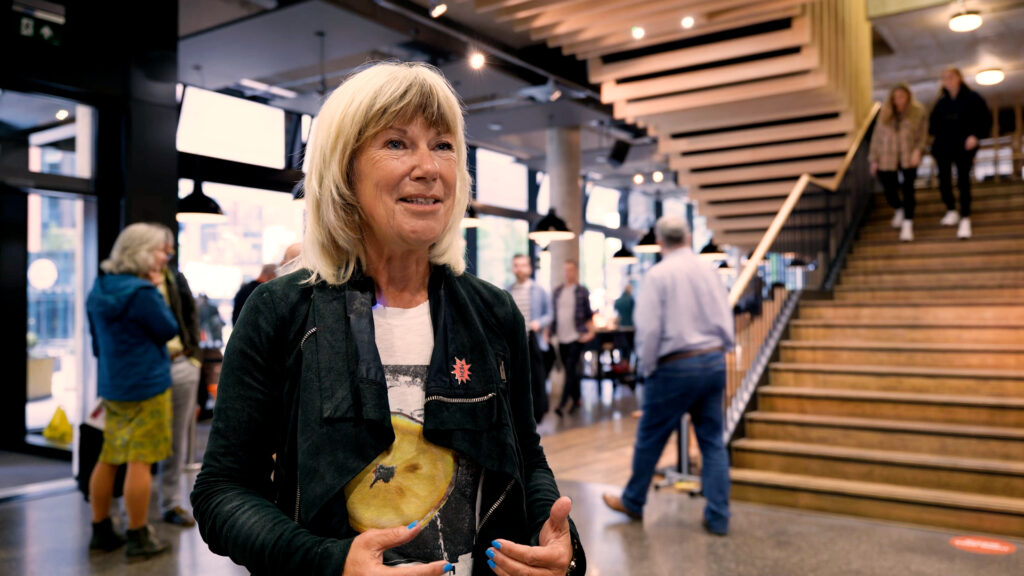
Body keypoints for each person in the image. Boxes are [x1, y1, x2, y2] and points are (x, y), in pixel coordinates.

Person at [192, 62, 584, 576]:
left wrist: (556, 542)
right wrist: (329, 563)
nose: (429, 168)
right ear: (344, 170)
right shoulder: (281, 311)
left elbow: (526, 457)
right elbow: (223, 489)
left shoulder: (492, 312)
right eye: (397, 144)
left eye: (443, 145)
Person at [602, 215, 735, 536]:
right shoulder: (708, 270)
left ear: (659, 242)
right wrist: (723, 351)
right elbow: (724, 317)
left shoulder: (658, 275)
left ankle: (634, 500)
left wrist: (647, 369)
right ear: (688, 237)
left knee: (651, 436)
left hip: (675, 365)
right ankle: (718, 516)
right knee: (712, 442)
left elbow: (649, 330)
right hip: (712, 360)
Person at [86, 222, 179, 558]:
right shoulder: (142, 293)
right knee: (140, 461)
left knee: (109, 457)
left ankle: (101, 530)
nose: (163, 257)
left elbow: (96, 342)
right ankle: (138, 535)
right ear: (141, 251)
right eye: (159, 250)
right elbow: (168, 329)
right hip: (148, 385)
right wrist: (155, 289)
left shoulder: (100, 287)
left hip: (113, 384)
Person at [152, 224, 203, 528]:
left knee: (176, 439)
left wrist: (193, 355)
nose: (168, 254)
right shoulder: (129, 284)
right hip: (144, 368)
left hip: (181, 363)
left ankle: (170, 501)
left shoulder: (173, 278)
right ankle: (131, 503)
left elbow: (190, 315)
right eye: (162, 248)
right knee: (138, 441)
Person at [929, 66, 992, 240]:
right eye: (944, 77)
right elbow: (933, 126)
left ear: (959, 78)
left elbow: (985, 119)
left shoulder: (973, 98)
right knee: (944, 181)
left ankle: (965, 217)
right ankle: (951, 209)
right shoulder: (941, 103)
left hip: (964, 147)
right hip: (944, 148)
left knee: (963, 181)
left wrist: (976, 136)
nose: (947, 80)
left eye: (950, 76)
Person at [869, 83, 927, 242]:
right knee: (889, 187)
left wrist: (918, 151)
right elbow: (876, 137)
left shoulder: (917, 112)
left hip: (909, 156)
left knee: (909, 190)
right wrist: (874, 159)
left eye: (902, 96)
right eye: (896, 97)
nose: (899, 100)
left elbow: (922, 136)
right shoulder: (885, 113)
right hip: (887, 157)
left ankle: (908, 223)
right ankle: (898, 208)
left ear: (908, 96)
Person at [505, 253, 553, 423]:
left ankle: (537, 413)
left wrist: (538, 323)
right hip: (513, 343)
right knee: (515, 379)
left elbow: (549, 314)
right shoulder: (507, 290)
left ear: (530, 268)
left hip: (534, 341)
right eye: (516, 265)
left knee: (536, 378)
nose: (519, 268)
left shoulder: (539, 290)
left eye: (523, 265)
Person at [551, 260, 594, 417]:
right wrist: (549, 333)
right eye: (565, 270)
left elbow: (588, 315)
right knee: (571, 371)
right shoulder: (558, 292)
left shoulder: (582, 291)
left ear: (575, 271)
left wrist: (591, 332)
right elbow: (554, 315)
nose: (567, 273)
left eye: (570, 270)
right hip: (561, 338)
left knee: (570, 370)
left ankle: (562, 404)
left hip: (576, 337)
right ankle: (577, 399)